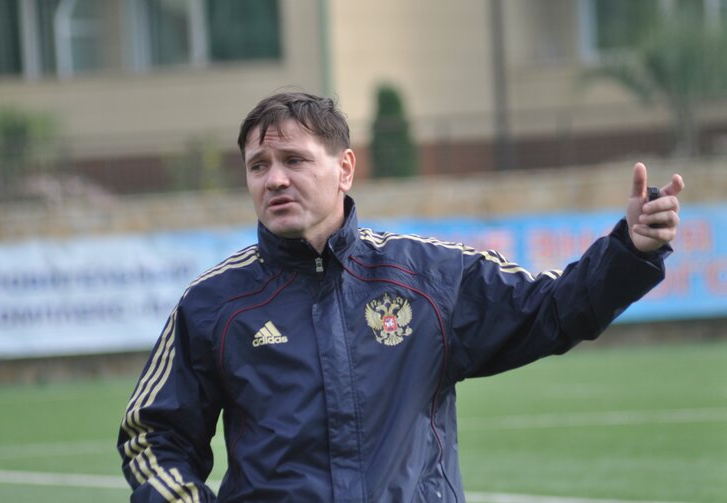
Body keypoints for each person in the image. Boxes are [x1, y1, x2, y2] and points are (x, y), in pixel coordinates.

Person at [118, 91, 684, 502]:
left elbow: (554, 308)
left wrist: (630, 250)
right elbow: (154, 436)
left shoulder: (429, 277)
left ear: (344, 168)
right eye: (258, 166)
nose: (275, 180)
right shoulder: (212, 305)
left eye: (294, 160)